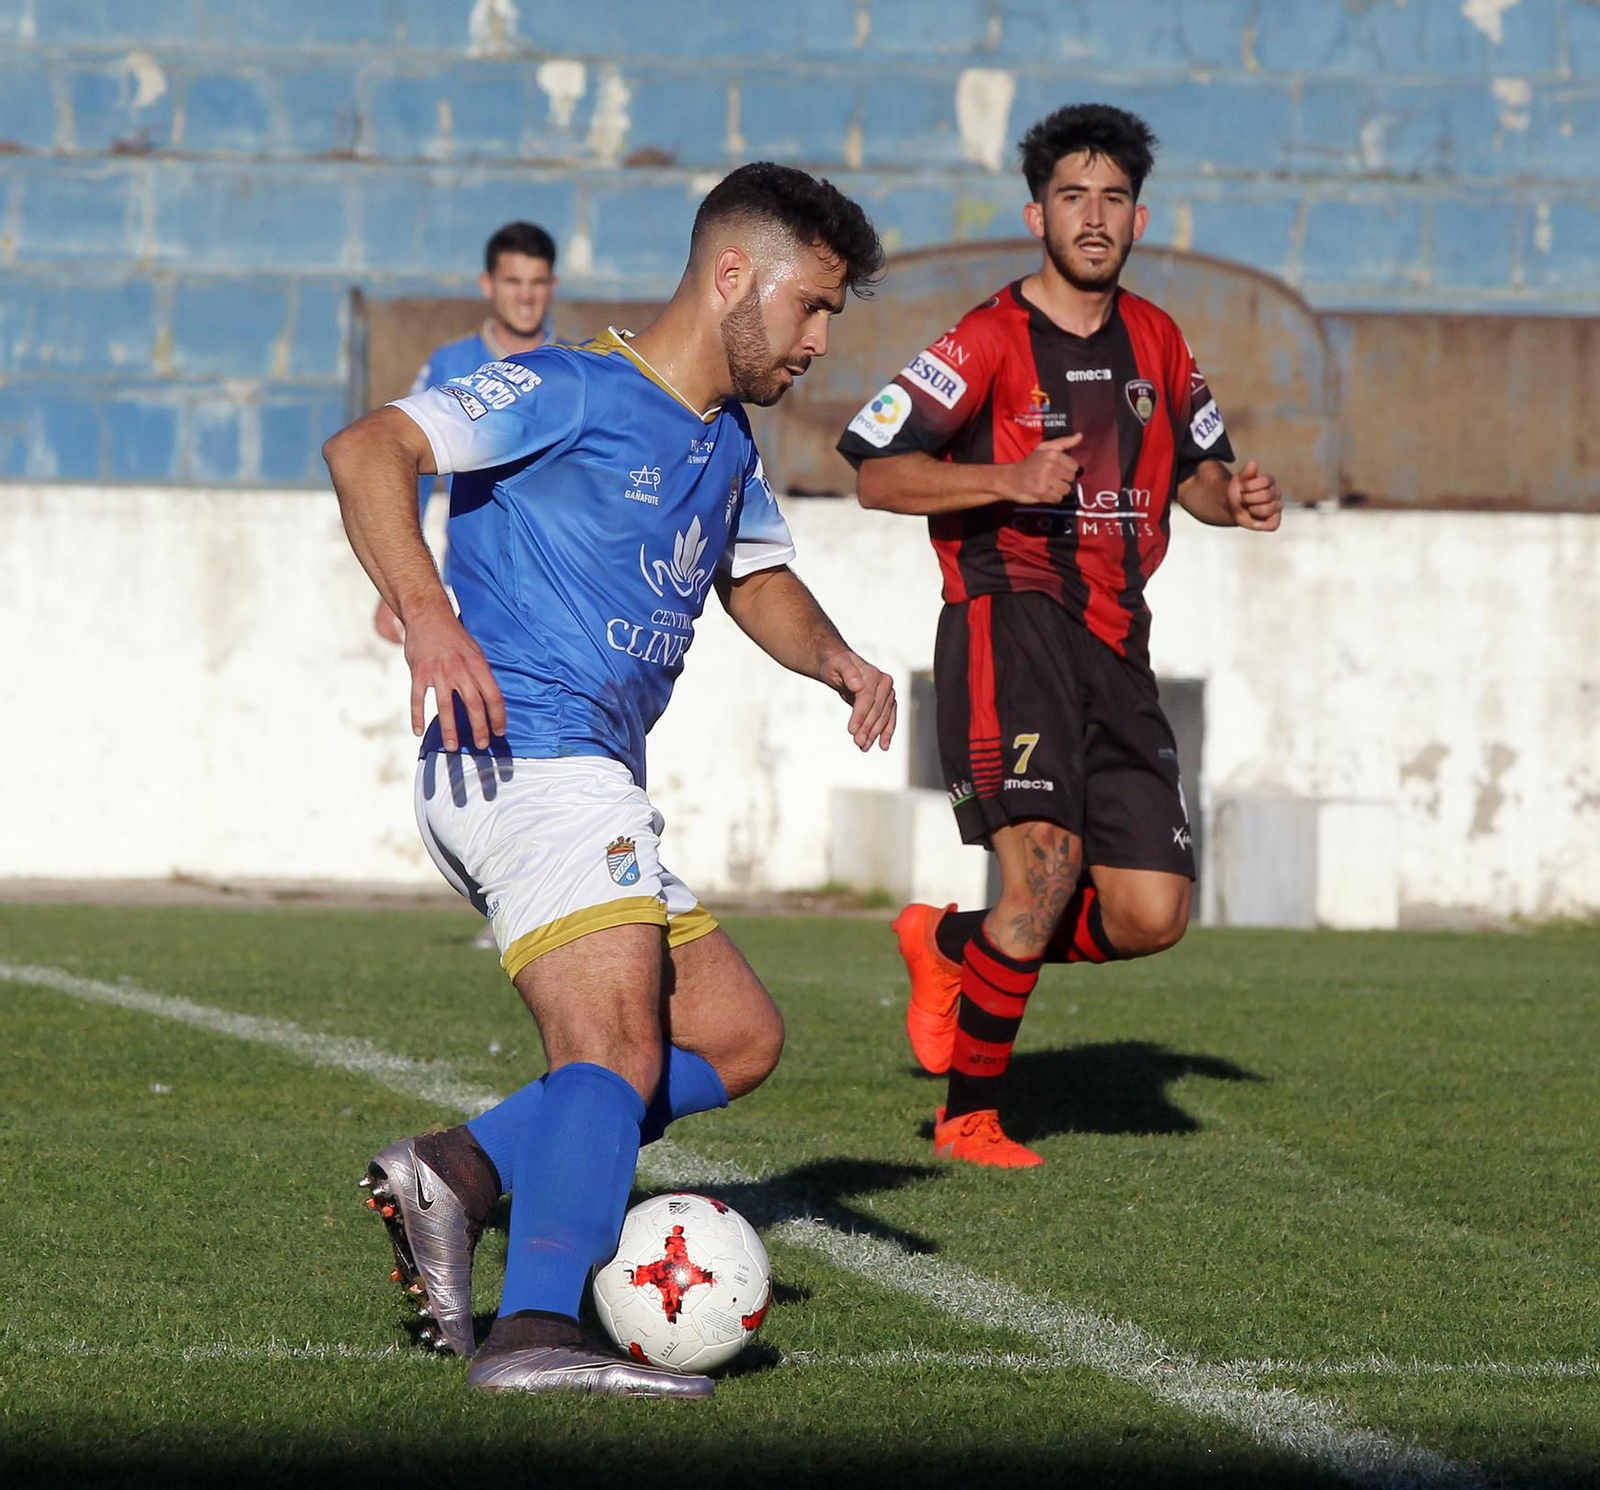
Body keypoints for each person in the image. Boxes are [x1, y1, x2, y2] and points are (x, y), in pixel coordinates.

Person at [324, 162, 891, 1397]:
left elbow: (754, 578)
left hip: (585, 774)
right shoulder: (569, 385)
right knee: (615, 1044)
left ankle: (466, 1170)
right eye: (812, 306)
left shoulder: (723, 442)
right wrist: (425, 608)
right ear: (733, 274)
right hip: (523, 751)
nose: (819, 341)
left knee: (736, 1035)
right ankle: (536, 1329)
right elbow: (372, 445)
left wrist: (835, 656)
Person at [836, 103, 1282, 1169]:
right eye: (1073, 196)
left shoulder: (1160, 340)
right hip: (1009, 622)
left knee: (1148, 912)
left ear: (1137, 217)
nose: (1094, 216)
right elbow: (873, 469)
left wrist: (1236, 495)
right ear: (1036, 212)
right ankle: (969, 1113)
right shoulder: (984, 339)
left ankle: (953, 946)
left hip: (1118, 642)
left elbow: (1196, 474)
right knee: (1042, 866)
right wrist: (1003, 477)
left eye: (1114, 197)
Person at [372, 220, 561, 646]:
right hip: (471, 590)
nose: (526, 296)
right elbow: (409, 476)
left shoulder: (578, 367)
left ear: (553, 284)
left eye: (536, 282)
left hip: (559, 596)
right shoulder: (450, 365)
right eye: (513, 281)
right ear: (487, 284)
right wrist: (398, 586)